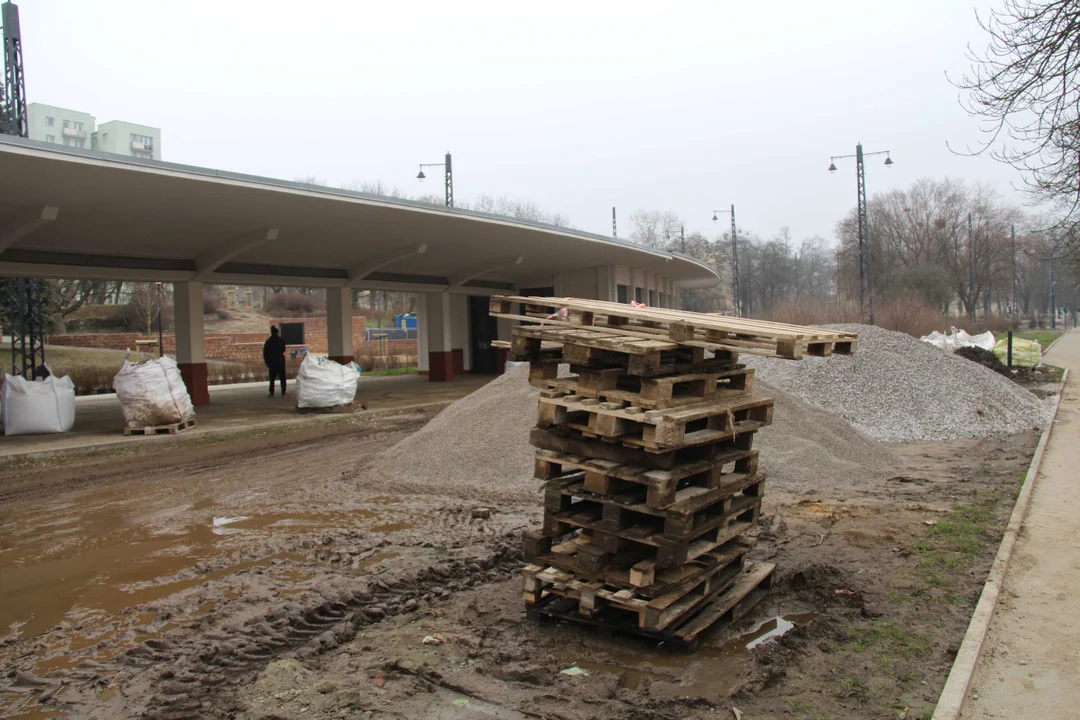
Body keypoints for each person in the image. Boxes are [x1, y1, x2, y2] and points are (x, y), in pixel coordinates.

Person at [262, 326, 287, 397]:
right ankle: (283, 392)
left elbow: (265, 352)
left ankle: (271, 392)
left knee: (272, 378)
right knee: (282, 378)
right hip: (280, 362)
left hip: (272, 362)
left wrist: (267, 362)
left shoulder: (268, 341)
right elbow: (283, 349)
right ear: (277, 332)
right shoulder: (281, 340)